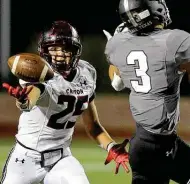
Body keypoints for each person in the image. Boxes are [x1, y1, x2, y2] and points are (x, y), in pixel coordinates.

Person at [1, 20, 129, 184]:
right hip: (26, 159)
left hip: (61, 159)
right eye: (54, 49)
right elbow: (31, 97)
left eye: (65, 48)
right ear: (44, 51)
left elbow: (93, 126)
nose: (60, 54)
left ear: (75, 50)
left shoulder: (87, 72)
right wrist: (23, 100)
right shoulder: (37, 75)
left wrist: (111, 147)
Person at [104, 0, 190, 183]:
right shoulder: (174, 40)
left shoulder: (116, 45)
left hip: (146, 144)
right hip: (157, 147)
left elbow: (117, 84)